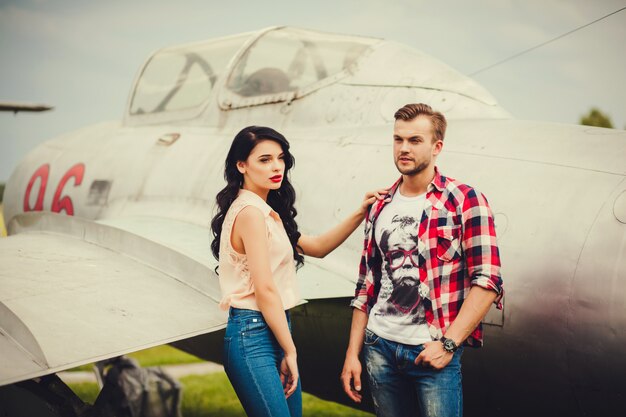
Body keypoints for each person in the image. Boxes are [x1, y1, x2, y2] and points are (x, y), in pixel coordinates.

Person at [340, 103, 504, 417]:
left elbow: (488, 281)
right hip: (379, 347)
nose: (404, 148)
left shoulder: (465, 200)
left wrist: (448, 344)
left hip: (432, 350)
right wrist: (352, 353)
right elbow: (366, 286)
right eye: (398, 139)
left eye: (415, 140)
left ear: (436, 146)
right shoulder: (380, 205)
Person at [210, 125, 386, 417]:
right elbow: (265, 290)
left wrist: (360, 211)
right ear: (241, 165)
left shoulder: (265, 212)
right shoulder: (251, 214)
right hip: (252, 335)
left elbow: (316, 247)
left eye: (280, 158)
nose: (276, 167)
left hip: (272, 329)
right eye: (264, 160)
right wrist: (290, 351)